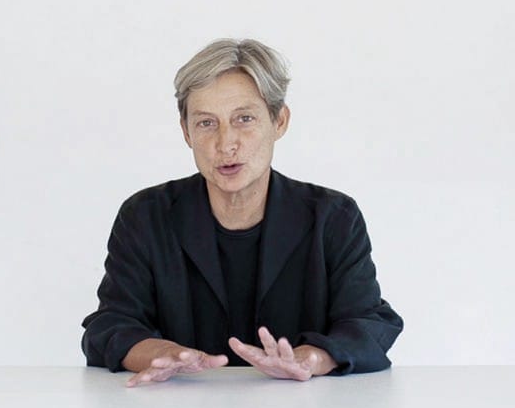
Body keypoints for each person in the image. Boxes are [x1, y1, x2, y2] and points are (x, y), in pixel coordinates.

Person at [81, 38, 403, 387]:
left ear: (279, 121)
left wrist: (310, 358)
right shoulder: (145, 216)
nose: (225, 144)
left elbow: (368, 324)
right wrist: (163, 353)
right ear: (186, 132)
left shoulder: (333, 217)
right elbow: (110, 326)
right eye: (206, 123)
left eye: (244, 119)